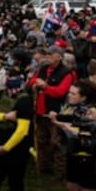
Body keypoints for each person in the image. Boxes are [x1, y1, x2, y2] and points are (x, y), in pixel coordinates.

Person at [28, 45, 76, 175]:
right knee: (41, 140)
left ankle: (59, 172)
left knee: (57, 143)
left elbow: (61, 92)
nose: (48, 56)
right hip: (40, 111)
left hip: (56, 114)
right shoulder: (42, 68)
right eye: (47, 54)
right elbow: (32, 80)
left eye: (51, 54)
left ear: (59, 56)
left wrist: (45, 87)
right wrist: (34, 84)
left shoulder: (67, 73)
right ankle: (44, 167)